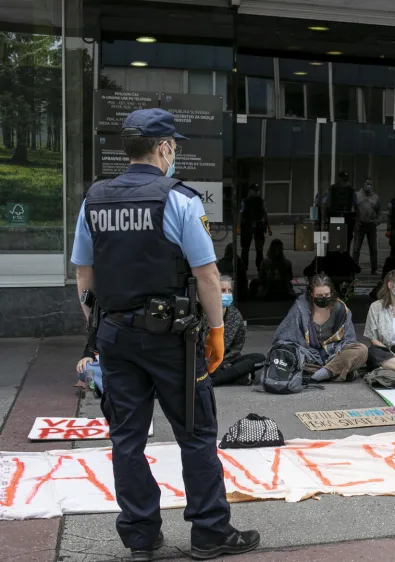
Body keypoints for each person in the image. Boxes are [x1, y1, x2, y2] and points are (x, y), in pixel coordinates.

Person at [69, 108, 259, 561]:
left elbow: (84, 274)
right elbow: (208, 275)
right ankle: (210, 533)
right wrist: (217, 331)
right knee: (194, 434)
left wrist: (95, 331)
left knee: (127, 439)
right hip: (173, 339)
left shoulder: (94, 200)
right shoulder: (179, 199)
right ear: (165, 147)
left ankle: (140, 537)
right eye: (174, 145)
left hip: (115, 335)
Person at [273, 273, 368, 382]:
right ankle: (335, 372)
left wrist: (338, 353)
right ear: (311, 294)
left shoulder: (340, 309)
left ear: (332, 293)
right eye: (319, 296)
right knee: (283, 353)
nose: (323, 298)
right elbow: (283, 338)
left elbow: (349, 340)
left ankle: (316, 376)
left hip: (334, 355)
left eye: (327, 295)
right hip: (308, 357)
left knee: (361, 350)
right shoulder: (300, 309)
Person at [200, 276, 264, 386]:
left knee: (259, 358)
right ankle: (229, 378)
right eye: (223, 290)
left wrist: (224, 362)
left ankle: (214, 379)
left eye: (229, 291)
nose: (227, 294)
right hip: (204, 362)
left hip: (227, 360)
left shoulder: (235, 315)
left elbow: (237, 346)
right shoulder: (202, 313)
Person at [238, 184, 269, 274]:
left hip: (258, 225)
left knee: (259, 249)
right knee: (245, 248)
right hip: (248, 225)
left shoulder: (260, 201)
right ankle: (244, 267)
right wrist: (239, 226)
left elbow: (264, 213)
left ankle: (259, 267)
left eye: (257, 190)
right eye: (255, 190)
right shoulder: (245, 201)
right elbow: (241, 213)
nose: (256, 192)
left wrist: (266, 225)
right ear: (250, 191)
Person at [353, 177, 381, 274]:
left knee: (373, 249)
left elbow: (379, 212)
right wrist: (355, 222)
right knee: (356, 248)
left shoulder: (376, 198)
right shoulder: (357, 195)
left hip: (371, 225)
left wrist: (377, 221)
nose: (369, 186)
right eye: (367, 184)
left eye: (370, 184)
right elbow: (353, 209)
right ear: (363, 184)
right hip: (360, 225)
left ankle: (374, 269)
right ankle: (354, 268)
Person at [327, 172, 356, 253]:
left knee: (346, 242)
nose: (345, 181)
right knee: (335, 243)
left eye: (346, 179)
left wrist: (357, 220)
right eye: (344, 179)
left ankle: (344, 259)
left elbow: (356, 204)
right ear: (339, 179)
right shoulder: (332, 189)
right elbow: (326, 203)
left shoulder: (350, 189)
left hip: (347, 217)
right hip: (336, 216)